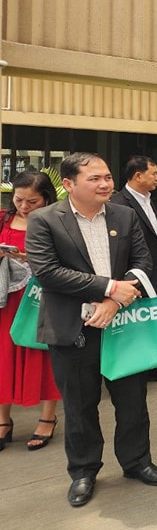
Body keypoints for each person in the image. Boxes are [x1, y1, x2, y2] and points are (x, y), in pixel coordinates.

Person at [25, 153, 157, 507]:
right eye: (94, 179)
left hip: (122, 325)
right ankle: (83, 471)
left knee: (133, 402)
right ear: (69, 184)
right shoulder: (45, 220)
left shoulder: (124, 215)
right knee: (80, 406)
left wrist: (114, 303)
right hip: (72, 328)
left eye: (107, 177)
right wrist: (109, 288)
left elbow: (144, 262)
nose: (105, 184)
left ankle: (137, 462)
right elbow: (48, 272)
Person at [0, 171, 61, 451]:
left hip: (41, 298)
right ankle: (3, 419)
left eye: (32, 201)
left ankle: (48, 417)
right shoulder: (3, 218)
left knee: (44, 353)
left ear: (46, 198)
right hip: (6, 299)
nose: (24, 206)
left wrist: (33, 259)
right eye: (19, 199)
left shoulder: (56, 221)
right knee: (4, 356)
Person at [109, 156, 157, 382]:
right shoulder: (119, 203)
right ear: (138, 176)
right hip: (134, 273)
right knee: (134, 322)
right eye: (153, 173)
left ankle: (155, 367)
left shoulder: (148, 200)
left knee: (153, 318)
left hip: (156, 270)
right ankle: (135, 369)